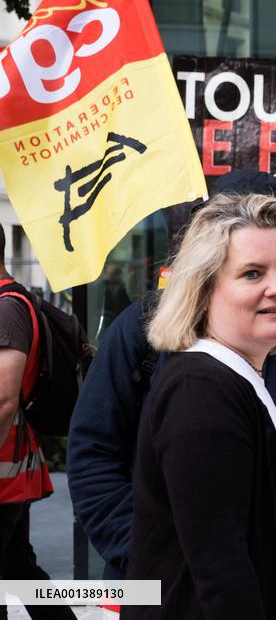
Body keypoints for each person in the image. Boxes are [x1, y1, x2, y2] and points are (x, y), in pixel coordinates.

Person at [67, 171, 276, 585]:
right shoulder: (142, 329)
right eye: (251, 271)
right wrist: (148, 558)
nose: (274, 288)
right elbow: (93, 453)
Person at [124, 193, 276, 619]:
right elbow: (220, 568)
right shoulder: (201, 390)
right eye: (252, 273)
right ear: (205, 287)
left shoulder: (238, 378)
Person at [0, 229, 74, 620]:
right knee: (17, 569)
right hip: (12, 464)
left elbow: (4, 399)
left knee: (16, 568)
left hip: (4, 467)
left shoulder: (6, 307)